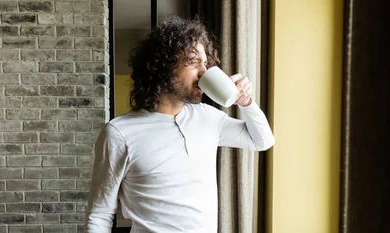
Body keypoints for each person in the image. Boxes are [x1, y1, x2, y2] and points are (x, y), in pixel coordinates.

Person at [84, 16, 275, 233]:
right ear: (164, 66)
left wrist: (246, 102)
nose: (204, 72)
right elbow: (99, 214)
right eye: (194, 63)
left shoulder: (209, 118)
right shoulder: (119, 133)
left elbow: (262, 140)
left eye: (205, 63)